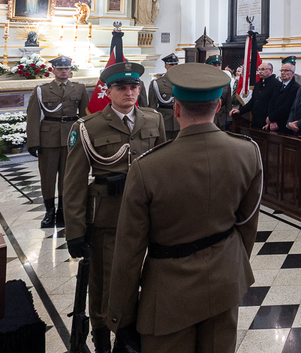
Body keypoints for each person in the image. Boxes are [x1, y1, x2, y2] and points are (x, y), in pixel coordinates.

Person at [107, 63, 263, 351]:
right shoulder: (248, 152)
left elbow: (129, 250)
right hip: (225, 281)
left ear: (176, 108)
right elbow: (247, 226)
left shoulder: (147, 168)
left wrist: (120, 314)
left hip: (168, 293)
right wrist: (231, 267)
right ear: (217, 106)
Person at [63, 62, 166, 353]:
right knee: (105, 278)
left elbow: (164, 168)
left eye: (134, 87)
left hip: (147, 214)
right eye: (122, 88)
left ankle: (131, 329)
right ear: (108, 92)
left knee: (146, 274)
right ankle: (102, 333)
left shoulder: (152, 119)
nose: (130, 93)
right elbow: (73, 184)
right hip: (108, 216)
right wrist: (75, 231)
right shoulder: (87, 127)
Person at [26, 55, 90, 228]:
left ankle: (62, 210)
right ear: (53, 70)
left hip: (71, 137)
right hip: (48, 138)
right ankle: (49, 212)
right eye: (60, 68)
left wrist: (87, 138)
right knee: (47, 176)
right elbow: (33, 117)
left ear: (70, 70)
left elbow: (85, 116)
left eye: (67, 68)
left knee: (67, 177)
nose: (64, 71)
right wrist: (33, 141)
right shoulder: (42, 89)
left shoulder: (79, 88)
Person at [147, 53, 180, 138]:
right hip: (164, 121)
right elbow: (152, 106)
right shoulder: (157, 83)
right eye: (171, 64)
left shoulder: (182, 82)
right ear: (166, 66)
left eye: (176, 64)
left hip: (180, 121)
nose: (174, 66)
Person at [236, 62, 277, 129]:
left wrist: (272, 120)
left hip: (267, 121)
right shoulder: (258, 84)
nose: (260, 72)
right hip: (255, 119)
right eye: (259, 69)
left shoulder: (276, 85)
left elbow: (275, 105)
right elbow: (253, 102)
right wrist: (240, 110)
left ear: (271, 70)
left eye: (263, 69)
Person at [266, 61, 300, 131]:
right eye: (282, 70)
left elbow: (286, 107)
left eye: (286, 70)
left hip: (284, 123)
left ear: (292, 73)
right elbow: (271, 102)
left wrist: (272, 118)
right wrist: (271, 119)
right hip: (273, 121)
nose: (282, 73)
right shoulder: (278, 85)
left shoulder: (295, 87)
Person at [204, 55, 234, 130]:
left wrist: (229, 118)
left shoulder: (225, 81)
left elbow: (228, 101)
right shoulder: (203, 80)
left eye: (219, 65)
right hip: (206, 116)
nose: (217, 67)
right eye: (214, 65)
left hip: (221, 117)